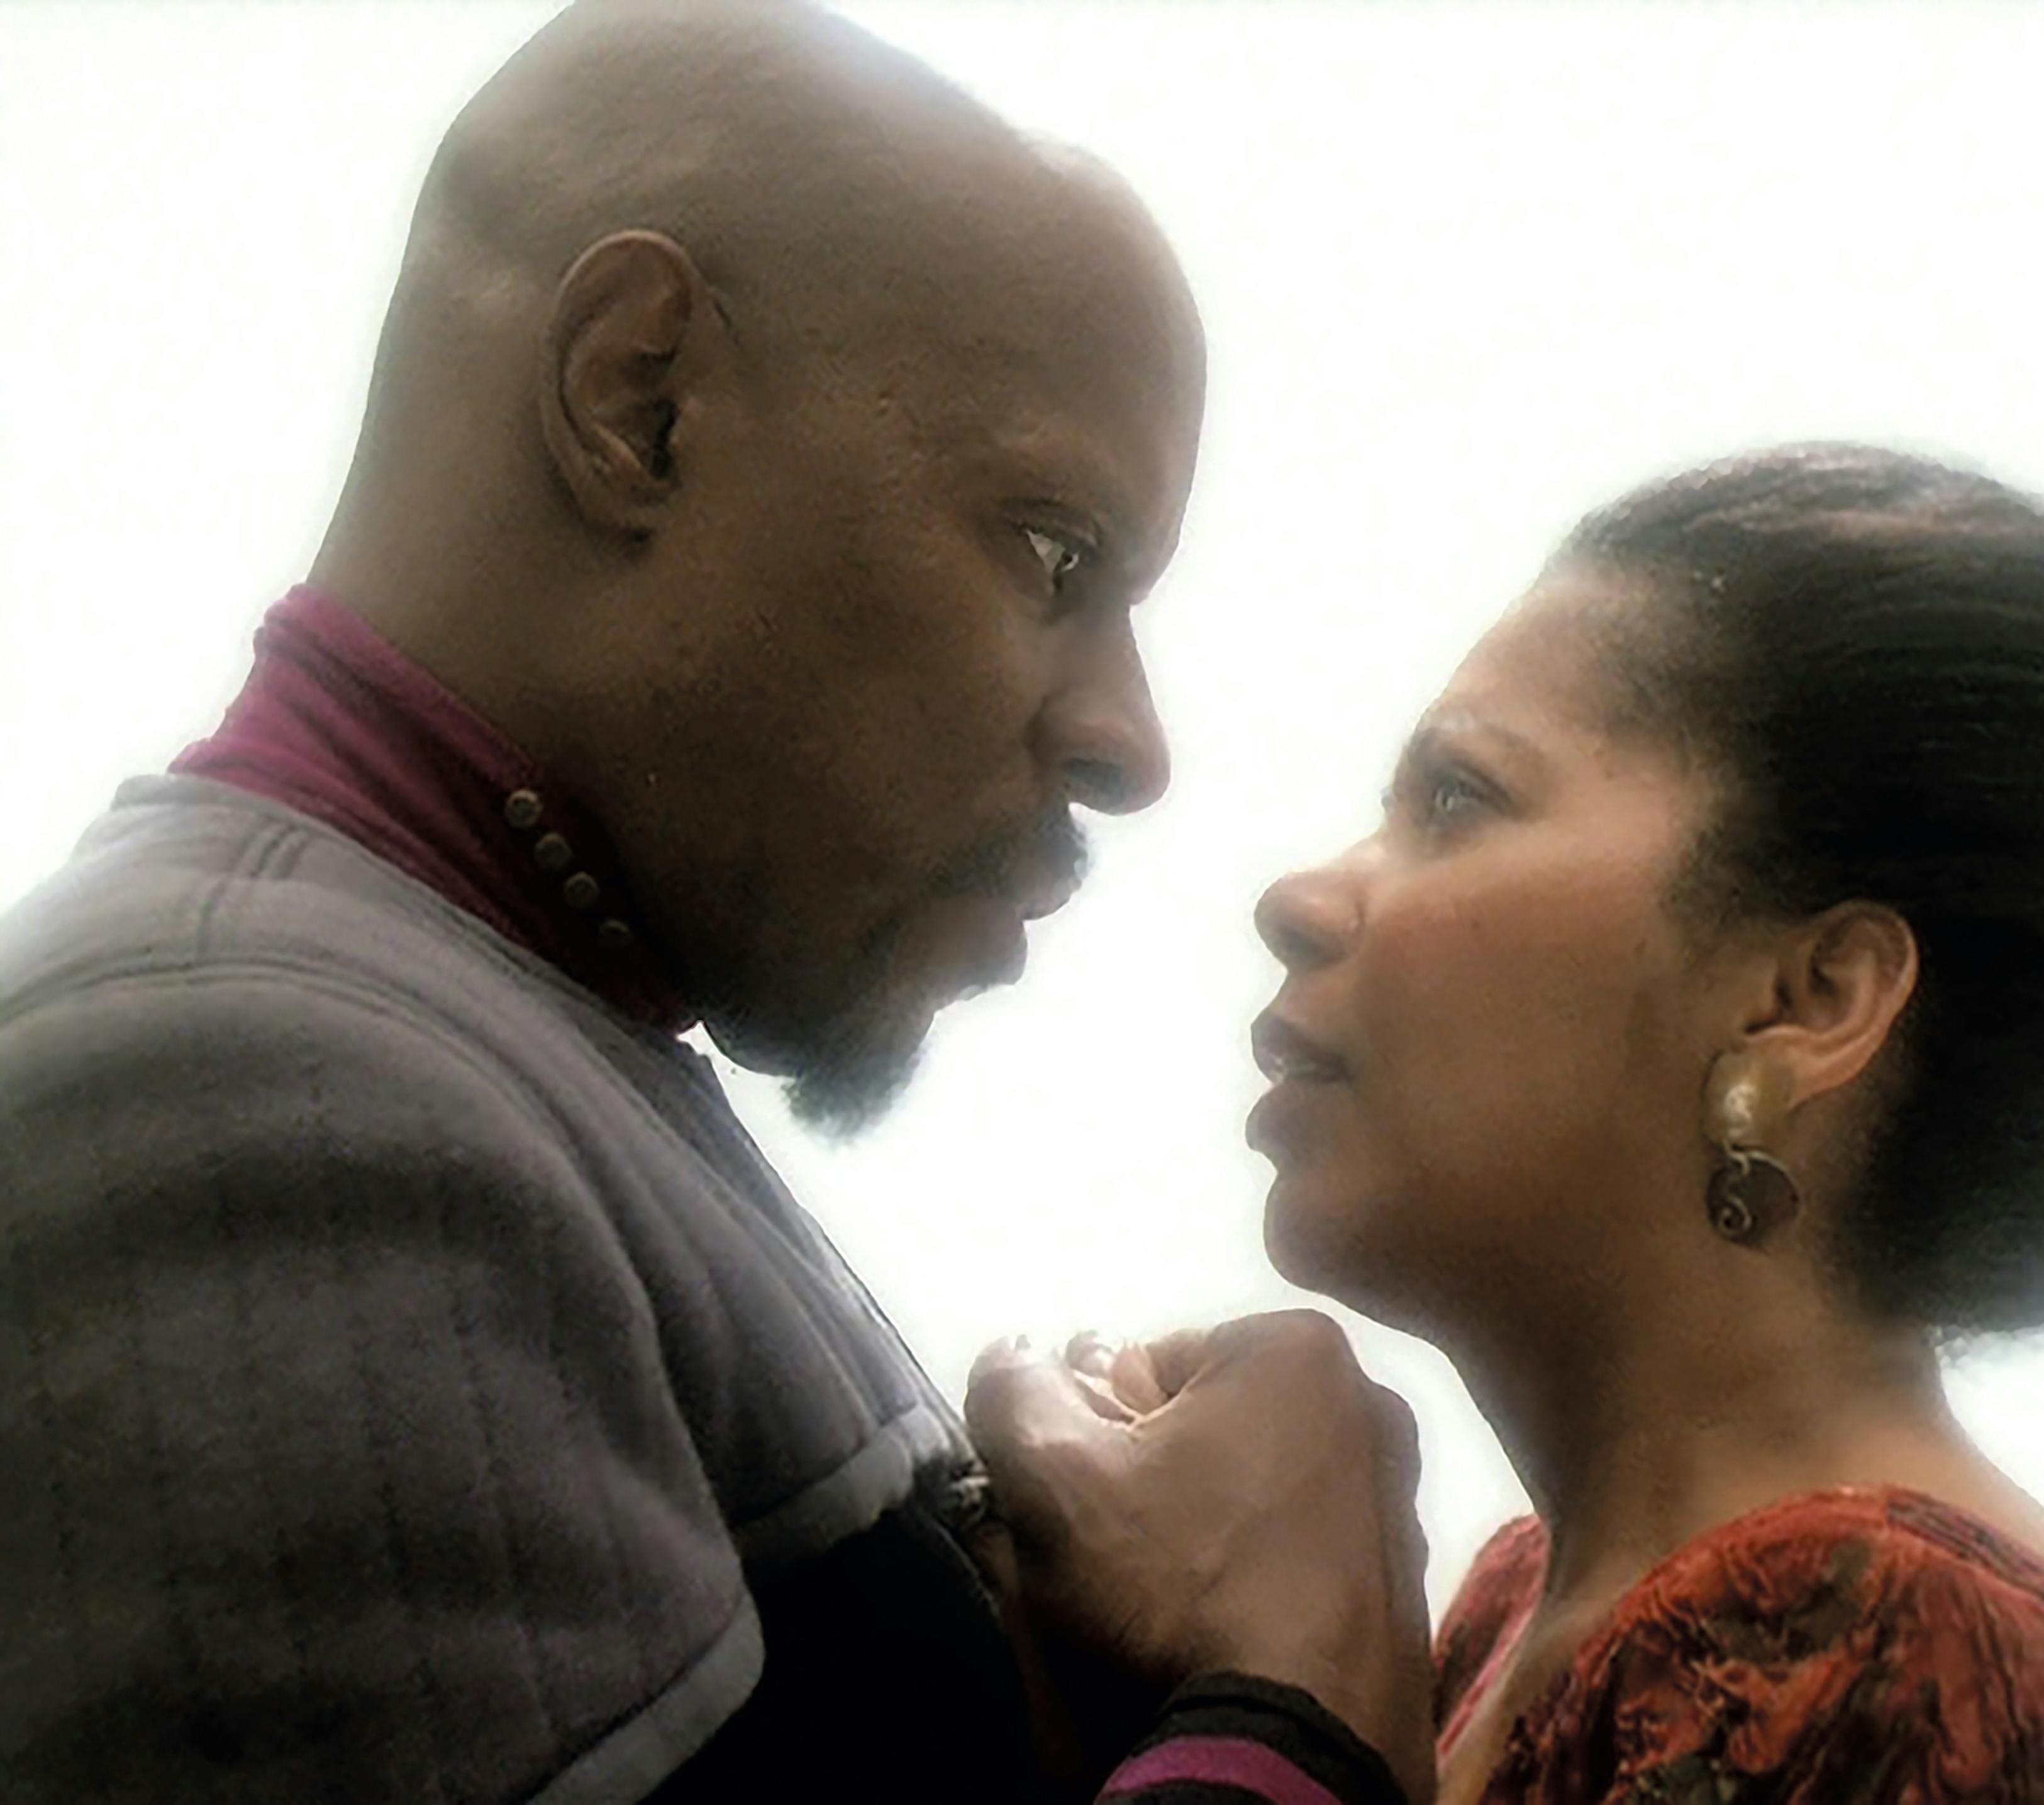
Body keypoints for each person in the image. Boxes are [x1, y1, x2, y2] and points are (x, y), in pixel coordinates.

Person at [0, 4, 1435, 1802]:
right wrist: (1291, 1691)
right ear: (639, 400)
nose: (1130, 743)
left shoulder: (481, 1028)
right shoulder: (227, 1092)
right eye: (1055, 552)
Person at [1213, 445, 2044, 1801]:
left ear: (1807, 999)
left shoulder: (1876, 1645)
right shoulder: (1530, 1608)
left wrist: (1258, 1703)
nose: (1301, 899)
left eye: (1459, 797)